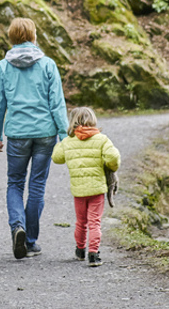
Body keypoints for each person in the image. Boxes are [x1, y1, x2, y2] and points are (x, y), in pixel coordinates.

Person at [0, 17, 69, 259]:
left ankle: (18, 227)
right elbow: (57, 103)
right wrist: (65, 134)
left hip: (17, 134)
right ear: (34, 37)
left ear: (11, 39)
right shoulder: (47, 65)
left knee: (15, 183)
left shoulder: (3, 67)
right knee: (37, 186)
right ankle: (31, 241)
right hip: (46, 133)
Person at [52, 106, 121, 267]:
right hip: (97, 190)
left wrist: (62, 141)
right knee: (94, 222)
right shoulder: (102, 139)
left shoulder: (68, 142)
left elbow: (56, 157)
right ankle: (94, 254)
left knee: (81, 222)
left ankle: (80, 250)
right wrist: (111, 167)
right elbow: (113, 157)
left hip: (79, 191)